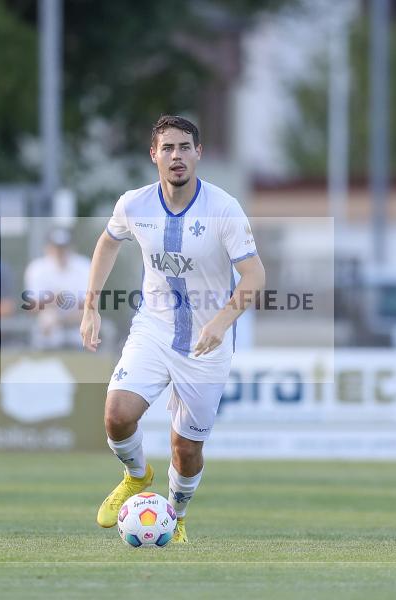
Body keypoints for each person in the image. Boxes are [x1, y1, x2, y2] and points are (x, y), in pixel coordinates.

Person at [80, 115, 265, 544]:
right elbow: (107, 241)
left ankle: (176, 517)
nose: (176, 156)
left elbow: (255, 276)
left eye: (185, 147)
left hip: (207, 342)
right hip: (154, 328)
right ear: (154, 155)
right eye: (168, 148)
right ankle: (136, 474)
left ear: (198, 153)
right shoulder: (134, 204)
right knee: (116, 415)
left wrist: (221, 322)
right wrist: (90, 305)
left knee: (187, 449)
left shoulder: (223, 209)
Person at [23, 228, 91, 349]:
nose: (60, 252)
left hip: (78, 338)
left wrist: (59, 317)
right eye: (56, 247)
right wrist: (54, 301)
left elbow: (89, 308)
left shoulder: (84, 267)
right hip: (44, 339)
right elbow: (31, 307)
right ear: (48, 248)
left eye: (63, 247)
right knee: (47, 317)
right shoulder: (36, 269)